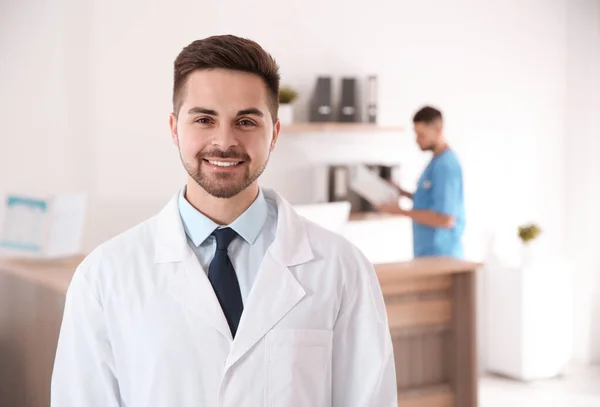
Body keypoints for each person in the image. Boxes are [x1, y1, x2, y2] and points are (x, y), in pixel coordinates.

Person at [50, 35, 397, 407]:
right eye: (204, 119)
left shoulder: (342, 268)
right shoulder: (104, 277)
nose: (224, 140)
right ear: (174, 128)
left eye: (246, 121)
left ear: (274, 133)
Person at [377, 106, 465, 258]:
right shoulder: (436, 162)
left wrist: (400, 211)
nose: (417, 140)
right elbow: (429, 201)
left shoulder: (446, 165)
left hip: (442, 255)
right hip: (428, 253)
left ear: (438, 130)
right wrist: (401, 192)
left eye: (421, 135)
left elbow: (445, 219)